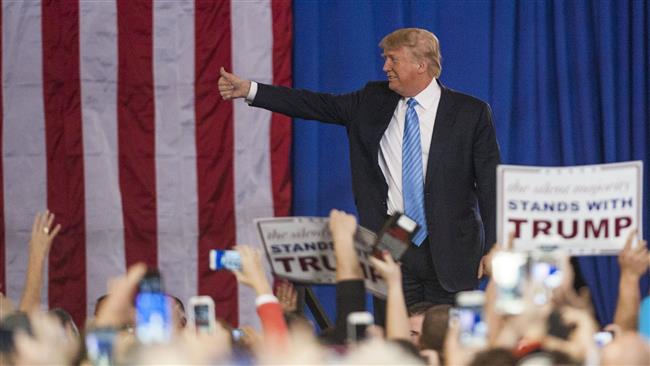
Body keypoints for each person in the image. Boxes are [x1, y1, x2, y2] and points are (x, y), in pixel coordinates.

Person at [218, 28, 500, 309]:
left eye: (393, 59)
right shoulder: (372, 100)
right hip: (395, 236)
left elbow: (490, 186)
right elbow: (315, 104)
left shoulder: (470, 112)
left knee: (450, 331)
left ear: (421, 64)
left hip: (454, 245)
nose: (385, 67)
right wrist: (251, 90)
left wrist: (494, 246)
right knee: (393, 330)